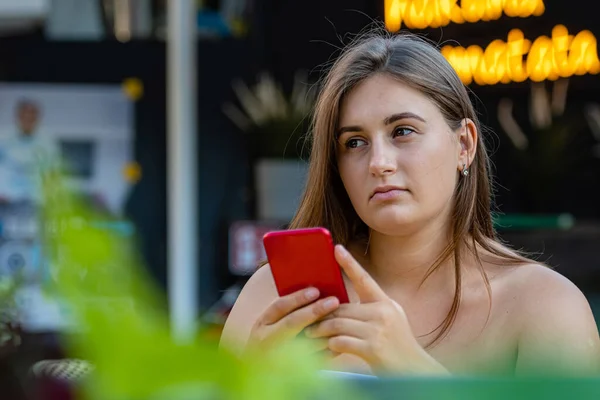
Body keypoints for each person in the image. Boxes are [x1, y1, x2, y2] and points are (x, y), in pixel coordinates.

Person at [219, 31, 600, 377]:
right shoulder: (278, 296)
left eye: (403, 132)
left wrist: (413, 371)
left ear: (464, 145)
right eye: (354, 142)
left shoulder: (545, 307)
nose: (379, 162)